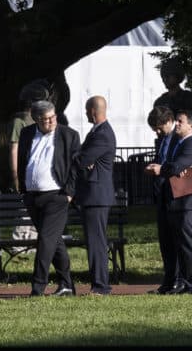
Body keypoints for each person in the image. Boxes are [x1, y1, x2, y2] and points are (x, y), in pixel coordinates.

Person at [17, 99, 81, 296]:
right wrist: (24, 190)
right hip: (33, 196)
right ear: (36, 119)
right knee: (55, 242)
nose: (52, 121)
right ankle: (67, 284)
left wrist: (69, 193)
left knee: (45, 240)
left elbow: (75, 166)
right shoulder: (27, 133)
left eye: (54, 117)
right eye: (46, 119)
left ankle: (38, 286)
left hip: (56, 196)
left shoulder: (69, 135)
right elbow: (22, 159)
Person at [146, 110, 192, 294]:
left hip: (187, 203)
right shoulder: (175, 143)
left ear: (191, 125)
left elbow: (177, 165)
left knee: (190, 245)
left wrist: (163, 169)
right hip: (173, 201)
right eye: (178, 121)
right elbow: (172, 165)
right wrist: (167, 168)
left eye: (181, 121)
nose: (178, 124)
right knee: (174, 245)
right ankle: (182, 283)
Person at [73, 96, 117, 296]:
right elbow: (84, 159)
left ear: (92, 110)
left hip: (96, 196)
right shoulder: (98, 132)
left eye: (85, 109)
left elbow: (82, 159)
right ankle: (98, 284)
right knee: (94, 241)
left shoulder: (103, 134)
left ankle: (100, 285)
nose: (84, 113)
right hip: (93, 195)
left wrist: (80, 157)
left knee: (96, 242)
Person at [144, 106, 183, 294]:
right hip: (162, 192)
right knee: (165, 240)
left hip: (175, 194)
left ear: (169, 121)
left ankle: (178, 279)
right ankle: (169, 280)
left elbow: (175, 164)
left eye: (160, 128)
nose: (158, 132)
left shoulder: (178, 137)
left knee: (176, 240)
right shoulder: (163, 140)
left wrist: (162, 168)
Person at [10, 80, 54, 192]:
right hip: (28, 175)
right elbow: (14, 151)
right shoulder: (20, 121)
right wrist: (16, 178)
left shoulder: (44, 121)